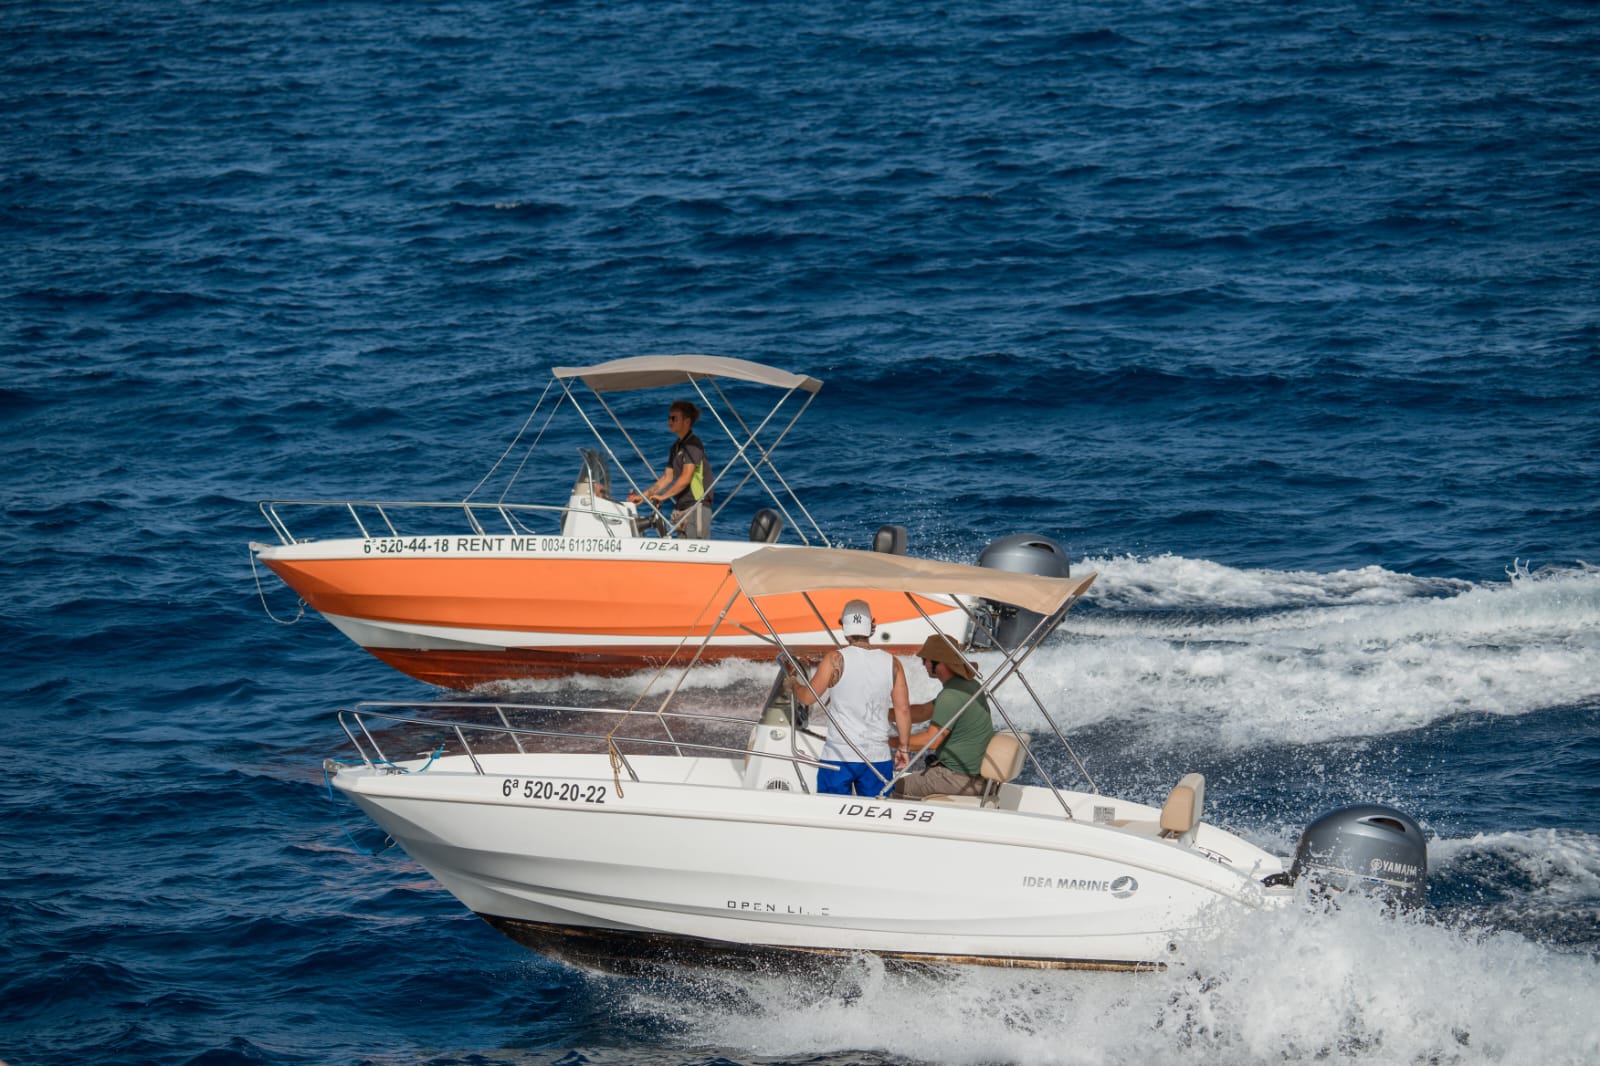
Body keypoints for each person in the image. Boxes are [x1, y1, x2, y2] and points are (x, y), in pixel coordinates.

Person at [791, 600, 912, 796]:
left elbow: (807, 698)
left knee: (832, 815)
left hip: (839, 755)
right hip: (877, 756)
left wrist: (793, 685)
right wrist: (904, 747)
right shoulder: (893, 662)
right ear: (872, 626)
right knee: (874, 817)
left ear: (844, 628)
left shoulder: (835, 659)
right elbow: (903, 710)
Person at [891, 634, 995, 800]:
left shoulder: (951, 696)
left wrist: (887, 742)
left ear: (939, 663)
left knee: (889, 788)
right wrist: (883, 713)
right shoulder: (967, 685)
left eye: (925, 660)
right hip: (974, 777)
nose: (923, 664)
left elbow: (931, 741)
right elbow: (924, 711)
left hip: (957, 778)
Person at [628, 400, 713, 538]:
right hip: (683, 509)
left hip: (697, 506)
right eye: (669, 417)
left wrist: (664, 496)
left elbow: (686, 478)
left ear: (687, 421)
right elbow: (667, 478)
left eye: (674, 418)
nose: (670, 421)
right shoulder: (676, 447)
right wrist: (644, 497)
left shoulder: (693, 445)